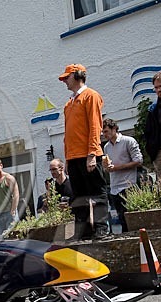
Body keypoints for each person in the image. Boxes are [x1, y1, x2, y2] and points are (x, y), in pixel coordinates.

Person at [59, 63, 110, 240]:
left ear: (78, 75)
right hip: (73, 157)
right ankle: (83, 230)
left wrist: (92, 154)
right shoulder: (69, 103)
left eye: (67, 77)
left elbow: (96, 126)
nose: (65, 81)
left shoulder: (91, 96)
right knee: (78, 196)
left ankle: (102, 228)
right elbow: (67, 133)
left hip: (88, 155)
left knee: (97, 193)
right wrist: (67, 158)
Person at [102, 118, 143, 233]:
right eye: (103, 132)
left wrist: (117, 168)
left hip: (129, 184)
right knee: (121, 219)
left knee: (131, 218)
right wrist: (107, 168)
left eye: (106, 131)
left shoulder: (128, 141)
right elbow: (110, 166)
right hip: (114, 187)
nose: (104, 135)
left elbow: (139, 161)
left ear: (114, 129)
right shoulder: (107, 147)